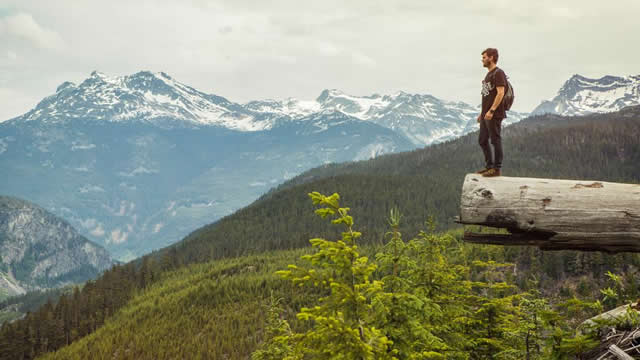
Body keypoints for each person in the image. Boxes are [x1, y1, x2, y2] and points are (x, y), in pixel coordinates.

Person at [476, 47, 507, 177]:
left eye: (484, 57)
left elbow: (500, 93)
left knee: (495, 140)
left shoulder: (498, 73)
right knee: (482, 140)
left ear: (491, 58)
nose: (482, 60)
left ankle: (497, 168)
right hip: (486, 114)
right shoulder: (488, 74)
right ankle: (489, 166)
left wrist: (492, 110)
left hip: (494, 114)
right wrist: (482, 113)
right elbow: (487, 96)